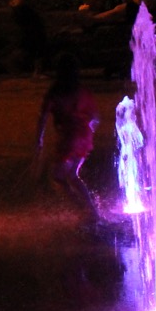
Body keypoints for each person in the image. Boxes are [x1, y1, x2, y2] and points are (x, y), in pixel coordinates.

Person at [36, 53, 102, 224]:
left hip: (69, 136)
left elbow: (43, 116)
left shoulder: (55, 92)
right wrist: (88, 130)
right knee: (72, 174)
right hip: (83, 135)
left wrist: (39, 139)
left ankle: (83, 208)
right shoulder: (81, 90)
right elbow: (95, 117)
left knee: (58, 175)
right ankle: (91, 210)